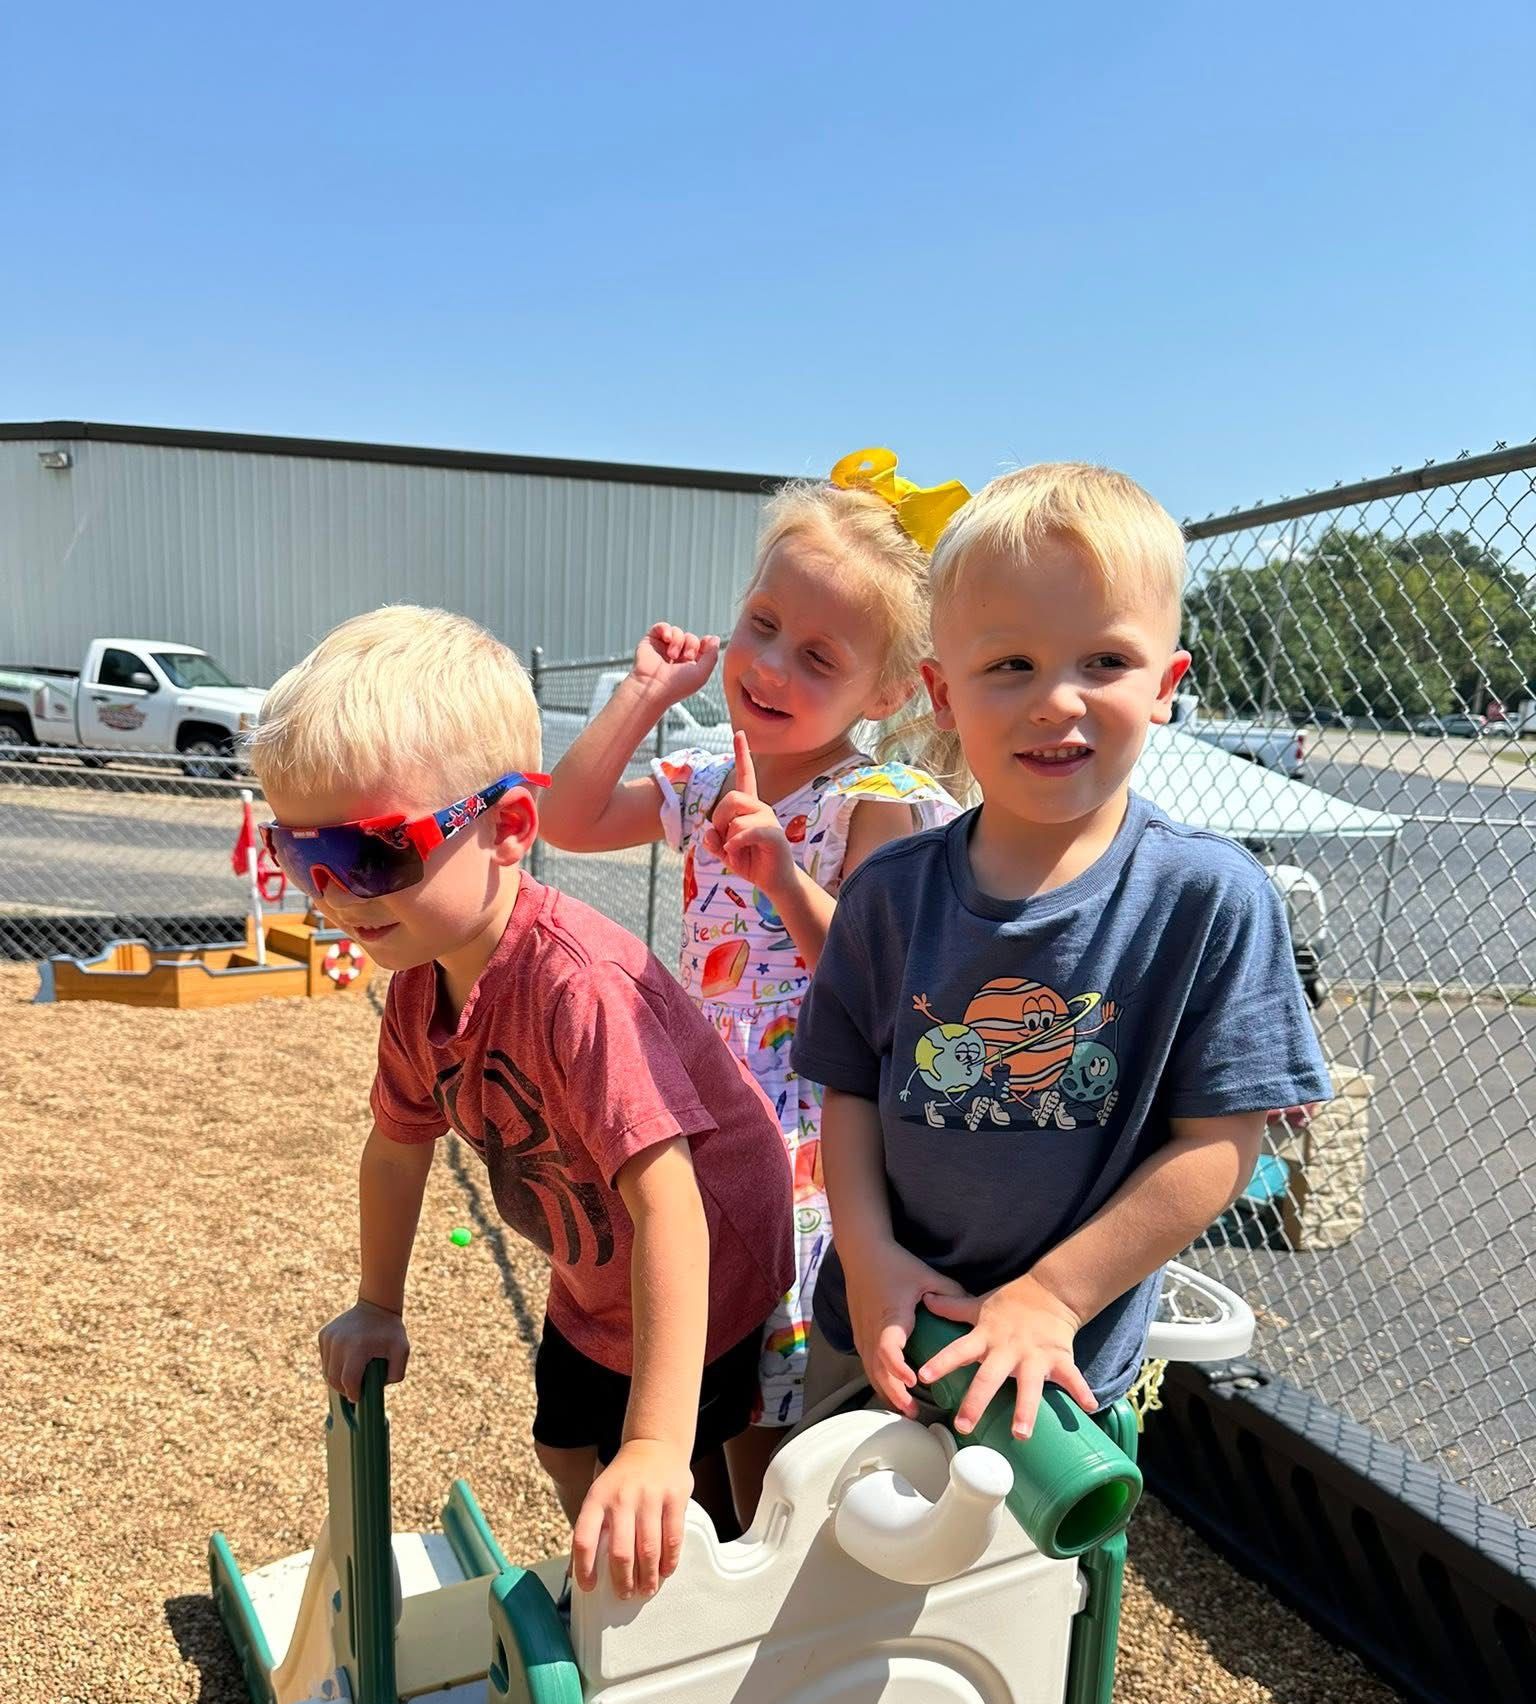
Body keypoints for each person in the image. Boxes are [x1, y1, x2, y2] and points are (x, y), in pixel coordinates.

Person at [249, 606, 793, 1603]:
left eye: (371, 854)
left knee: (705, 1480)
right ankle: (637, 1586)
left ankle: (697, 1614)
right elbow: (395, 1148)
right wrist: (378, 1302)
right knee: (562, 1444)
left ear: (507, 828)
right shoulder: (418, 983)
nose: (333, 892)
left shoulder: (575, 988)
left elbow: (670, 1201)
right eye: (300, 853)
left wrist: (658, 1446)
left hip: (705, 1254)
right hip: (596, 1265)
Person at [794, 460, 1332, 1445]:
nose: (1057, 700)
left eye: (1104, 662)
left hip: (1061, 1362)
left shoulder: (1210, 899)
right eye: (1010, 665)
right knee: (827, 1557)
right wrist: (868, 1259)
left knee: (1026, 1592)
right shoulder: (888, 893)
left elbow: (1221, 1143)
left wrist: (1051, 1295)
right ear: (940, 691)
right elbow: (852, 1093)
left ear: (1167, 685)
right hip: (878, 1328)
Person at [539, 450, 964, 1520]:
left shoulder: (875, 797)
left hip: (808, 1128)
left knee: (763, 1399)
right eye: (762, 624)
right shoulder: (702, 777)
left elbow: (867, 981)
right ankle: (700, 1551)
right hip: (700, 1104)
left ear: (885, 690)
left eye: (817, 654)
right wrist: (647, 695)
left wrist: (778, 869)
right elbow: (570, 820)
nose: (770, 665)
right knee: (685, 1338)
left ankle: (765, 1568)